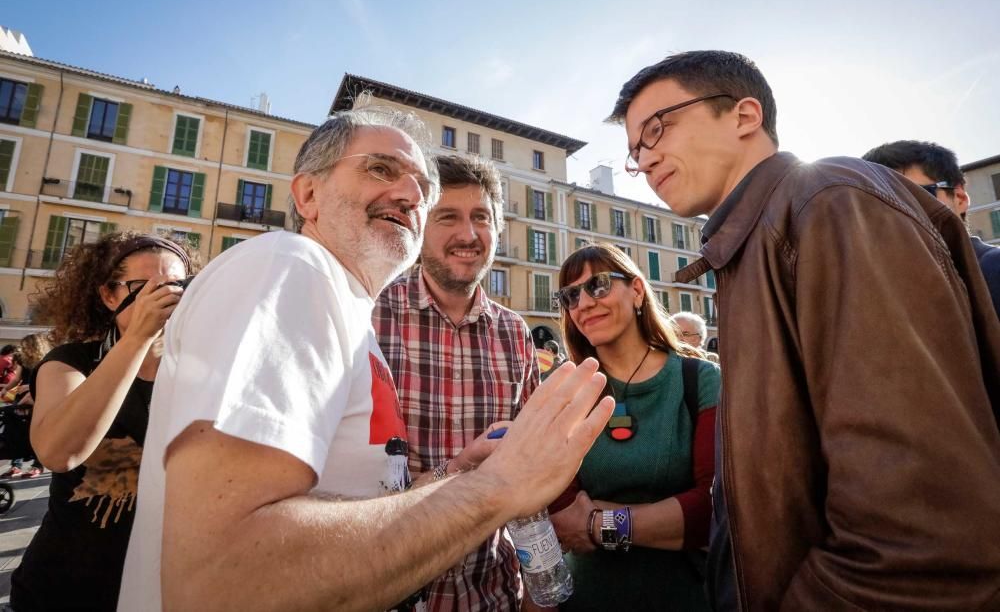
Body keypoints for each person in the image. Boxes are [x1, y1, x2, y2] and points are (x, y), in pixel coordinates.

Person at [117, 106, 614, 611]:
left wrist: (459, 470)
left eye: (422, 187)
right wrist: (497, 487)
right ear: (308, 194)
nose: (409, 193)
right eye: (380, 168)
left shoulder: (347, 307)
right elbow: (219, 583)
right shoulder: (287, 268)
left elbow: (362, 500)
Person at [609, 49, 1000, 609]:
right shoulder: (763, 236)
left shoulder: (831, 204)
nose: (644, 161)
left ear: (744, 115)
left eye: (657, 129)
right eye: (633, 151)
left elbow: (923, 534)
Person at [373, 154, 539, 611]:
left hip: (497, 595)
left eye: (481, 218)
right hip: (392, 595)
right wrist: (460, 467)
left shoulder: (516, 334)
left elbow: (528, 478)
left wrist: (539, 588)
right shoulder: (370, 317)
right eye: (448, 217)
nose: (468, 235)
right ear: (420, 225)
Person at [9, 232, 194, 611]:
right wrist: (138, 337)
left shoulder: (201, 367)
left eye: (176, 286)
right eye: (142, 287)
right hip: (65, 588)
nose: (162, 299)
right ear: (109, 296)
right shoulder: (71, 361)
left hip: (162, 589)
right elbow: (59, 453)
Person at [549, 243, 719, 611]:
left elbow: (710, 510)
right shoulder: (564, 392)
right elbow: (560, 510)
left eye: (598, 285)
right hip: (586, 599)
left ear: (637, 290)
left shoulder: (702, 380)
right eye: (571, 295)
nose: (584, 303)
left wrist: (595, 523)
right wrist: (663, 518)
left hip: (686, 598)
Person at [862, 140, 1000, 320]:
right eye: (874, 207)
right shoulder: (876, 293)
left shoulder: (994, 269)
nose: (895, 217)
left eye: (915, 197)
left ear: (959, 197)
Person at [0, 334, 51, 479]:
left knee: (35, 432)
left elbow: (45, 380)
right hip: (22, 398)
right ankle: (16, 466)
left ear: (35, 346)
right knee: (16, 430)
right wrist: (5, 390)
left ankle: (37, 466)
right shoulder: (23, 359)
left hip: (37, 398)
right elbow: (16, 379)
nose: (23, 349)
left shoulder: (46, 361)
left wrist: (29, 387)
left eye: (26, 346)